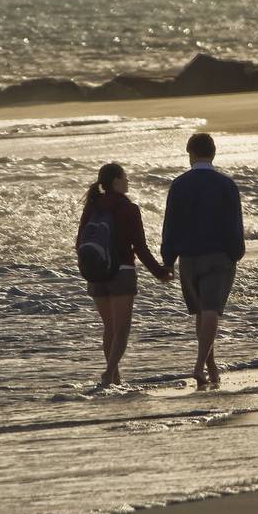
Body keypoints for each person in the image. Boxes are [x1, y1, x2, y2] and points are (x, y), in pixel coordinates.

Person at [77, 162, 173, 386]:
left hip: (96, 273)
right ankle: (109, 373)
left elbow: (80, 242)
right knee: (122, 330)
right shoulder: (129, 208)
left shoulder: (91, 207)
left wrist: (88, 268)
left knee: (109, 328)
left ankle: (115, 378)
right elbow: (139, 247)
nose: (128, 181)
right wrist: (159, 272)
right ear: (116, 181)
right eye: (125, 177)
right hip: (121, 273)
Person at [161, 133, 245, 388]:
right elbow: (234, 223)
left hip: (188, 258)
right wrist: (236, 253)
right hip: (218, 255)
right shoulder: (225, 184)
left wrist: (168, 259)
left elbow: (170, 225)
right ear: (213, 153)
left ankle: (211, 367)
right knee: (211, 311)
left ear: (191, 154)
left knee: (201, 312)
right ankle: (199, 366)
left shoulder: (179, 184)